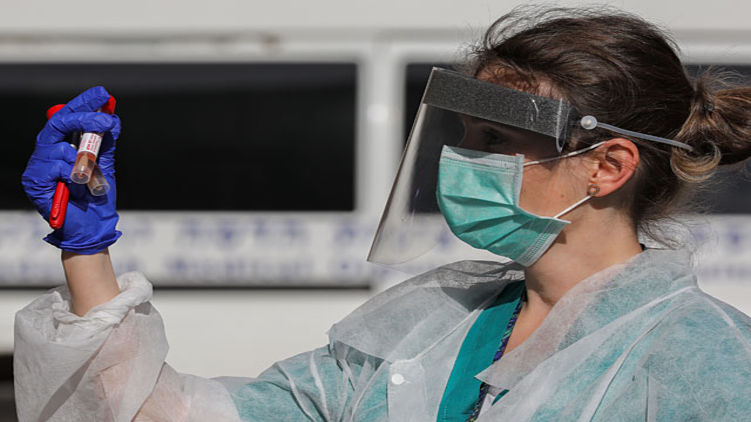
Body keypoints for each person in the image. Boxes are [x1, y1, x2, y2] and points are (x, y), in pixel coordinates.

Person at [15, 6, 751, 421]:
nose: (460, 160)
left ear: (607, 167)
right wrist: (87, 248)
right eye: (463, 135)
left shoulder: (702, 357)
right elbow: (175, 414)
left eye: (495, 141)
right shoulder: (430, 327)